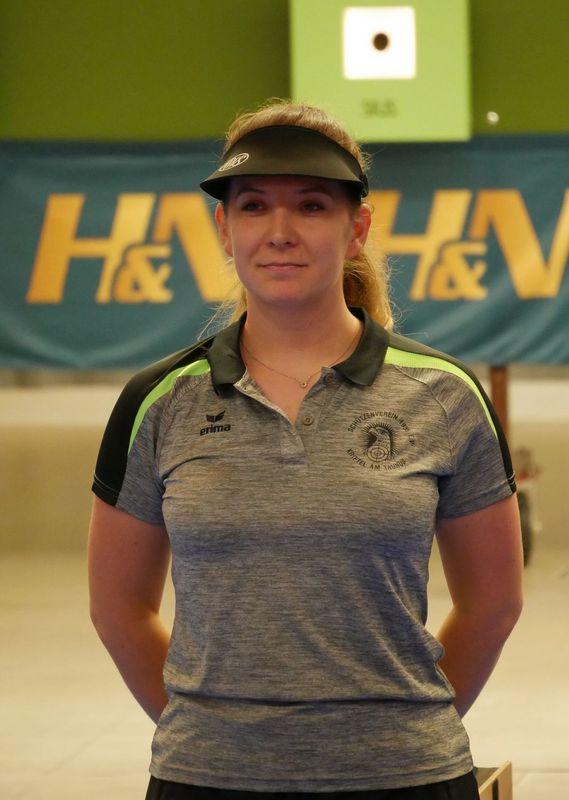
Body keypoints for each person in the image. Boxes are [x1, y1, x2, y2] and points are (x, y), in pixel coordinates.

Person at [88, 99, 524, 800]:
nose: (280, 231)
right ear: (224, 229)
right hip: (206, 777)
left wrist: (402, 734)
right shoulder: (159, 401)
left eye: (312, 206)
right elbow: (118, 609)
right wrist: (209, 737)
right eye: (254, 206)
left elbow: (492, 604)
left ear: (357, 229)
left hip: (408, 776)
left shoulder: (444, 395)